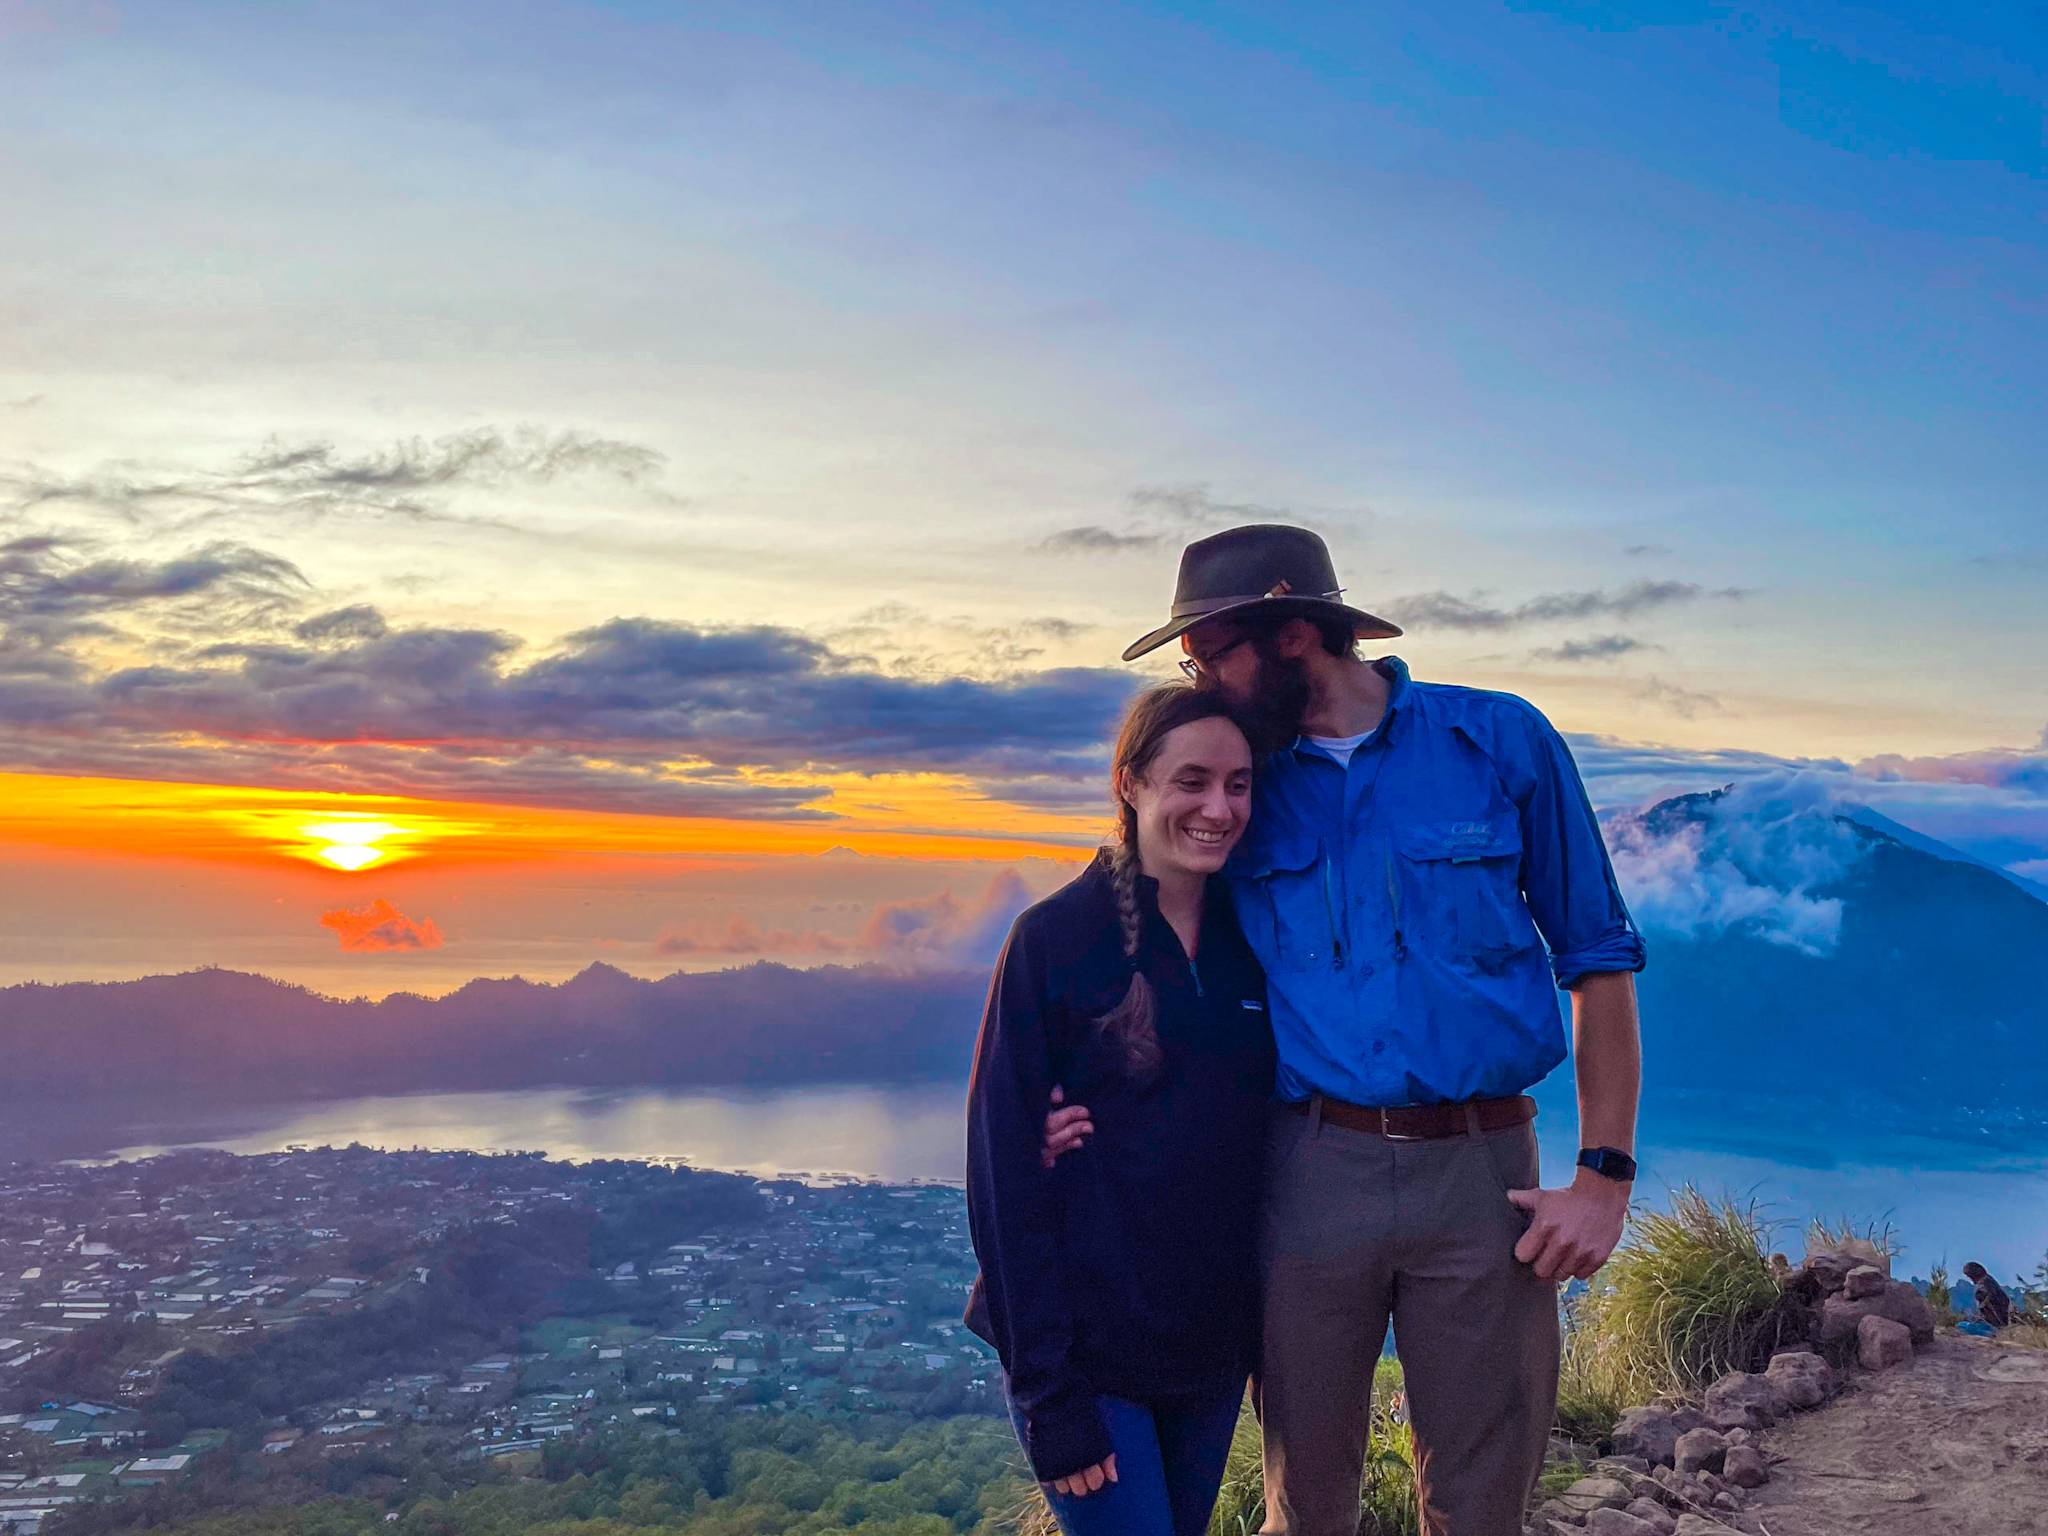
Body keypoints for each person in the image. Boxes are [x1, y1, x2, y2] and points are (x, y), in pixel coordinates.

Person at [1046, 525, 1647, 1536]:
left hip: (1483, 1172)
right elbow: (1155, 939)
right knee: (1306, 1501)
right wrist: (1065, 1092)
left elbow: (1596, 958)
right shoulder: (1239, 784)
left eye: (1210, 655)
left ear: (1290, 638)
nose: (1202, 682)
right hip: (1303, 1171)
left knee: (1477, 1499)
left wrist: (1602, 1177)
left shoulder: (1495, 741)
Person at [964, 684, 1277, 1536]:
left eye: (1239, 784)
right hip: (1090, 1357)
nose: (1219, 807)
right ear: (1131, 783)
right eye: (1193, 781)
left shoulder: (1255, 941)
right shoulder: (1056, 942)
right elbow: (1000, 1182)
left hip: (1206, 1354)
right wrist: (1050, 1402)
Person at [1962, 1261, 2013, 1327]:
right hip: (1999, 1318)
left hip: (1998, 1319)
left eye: (1969, 1276)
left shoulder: (1984, 1282)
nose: (1970, 1278)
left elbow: (1990, 1298)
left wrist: (1982, 1311)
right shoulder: (1987, 1280)